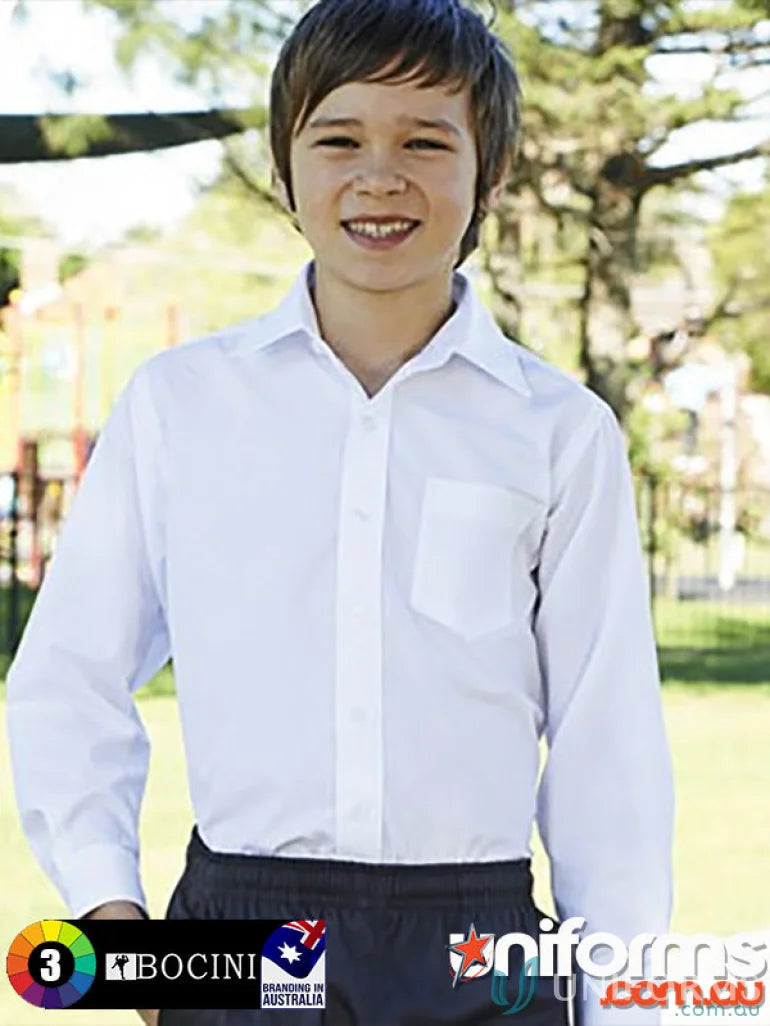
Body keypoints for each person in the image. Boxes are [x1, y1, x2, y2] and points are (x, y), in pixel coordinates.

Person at [5, 0, 674, 1023]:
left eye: (423, 141)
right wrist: (116, 921)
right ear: (283, 169)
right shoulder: (180, 405)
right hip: (240, 935)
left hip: (477, 944)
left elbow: (606, 747)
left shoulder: (557, 433)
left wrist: (621, 1005)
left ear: (487, 173)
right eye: (338, 139)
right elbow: (68, 680)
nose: (378, 175)